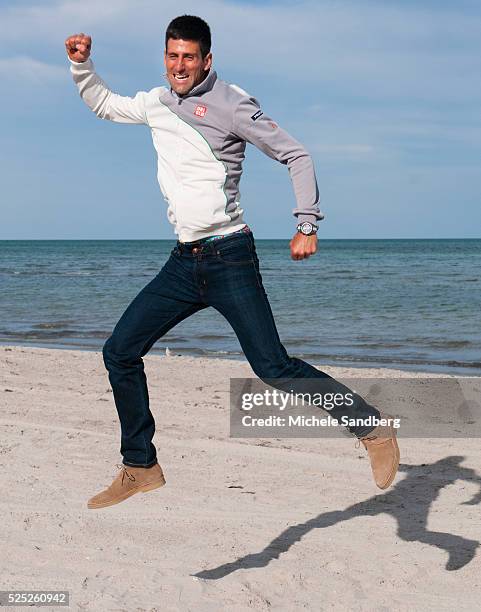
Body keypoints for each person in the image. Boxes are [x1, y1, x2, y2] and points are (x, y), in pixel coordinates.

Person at [64, 15, 400, 510]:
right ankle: (140, 466)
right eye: (172, 56)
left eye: (189, 57)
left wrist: (307, 224)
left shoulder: (232, 104)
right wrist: (82, 66)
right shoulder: (156, 103)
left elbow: (297, 155)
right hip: (183, 263)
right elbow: (105, 105)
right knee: (119, 351)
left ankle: (370, 428)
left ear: (207, 59)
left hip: (229, 258)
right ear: (165, 57)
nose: (180, 66)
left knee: (272, 366)